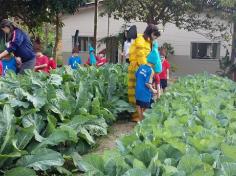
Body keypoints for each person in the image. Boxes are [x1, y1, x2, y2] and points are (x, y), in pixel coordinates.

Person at [128, 24, 161, 122]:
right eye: (155, 35)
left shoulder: (150, 42)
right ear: (151, 33)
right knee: (135, 91)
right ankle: (136, 115)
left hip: (145, 69)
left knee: (145, 92)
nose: (155, 38)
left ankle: (142, 114)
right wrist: (147, 69)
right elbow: (141, 55)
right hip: (138, 69)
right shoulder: (140, 40)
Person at [135, 41, 162, 120]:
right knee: (147, 108)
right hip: (145, 92)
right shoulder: (151, 70)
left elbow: (136, 75)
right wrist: (153, 90)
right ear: (155, 63)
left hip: (138, 90)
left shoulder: (141, 66)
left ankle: (140, 120)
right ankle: (143, 121)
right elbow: (147, 83)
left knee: (138, 105)